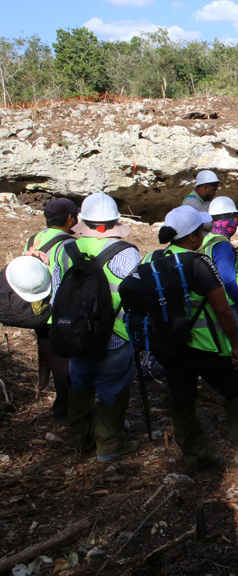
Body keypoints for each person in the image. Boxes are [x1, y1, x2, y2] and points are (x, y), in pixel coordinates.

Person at [144, 206, 238, 473]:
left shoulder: (152, 258)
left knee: (182, 402)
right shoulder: (199, 263)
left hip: (169, 346)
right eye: (202, 231)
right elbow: (223, 310)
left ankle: (196, 457)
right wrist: (235, 345)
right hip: (206, 346)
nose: (204, 235)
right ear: (192, 237)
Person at [51, 193, 141, 461]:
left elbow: (57, 295)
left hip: (76, 333)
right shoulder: (126, 253)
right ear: (114, 221)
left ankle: (81, 438)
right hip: (114, 335)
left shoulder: (64, 250)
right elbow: (134, 299)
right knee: (113, 387)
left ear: (83, 221)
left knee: (79, 382)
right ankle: (110, 444)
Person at [23, 198, 79, 420]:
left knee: (54, 360)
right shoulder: (68, 245)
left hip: (38, 310)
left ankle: (64, 403)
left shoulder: (34, 239)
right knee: (65, 365)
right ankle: (66, 409)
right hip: (58, 313)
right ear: (69, 218)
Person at [201, 196, 238, 335]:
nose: (235, 222)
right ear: (226, 219)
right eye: (233, 217)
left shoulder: (208, 239)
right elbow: (227, 279)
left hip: (212, 302)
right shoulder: (223, 246)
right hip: (228, 304)